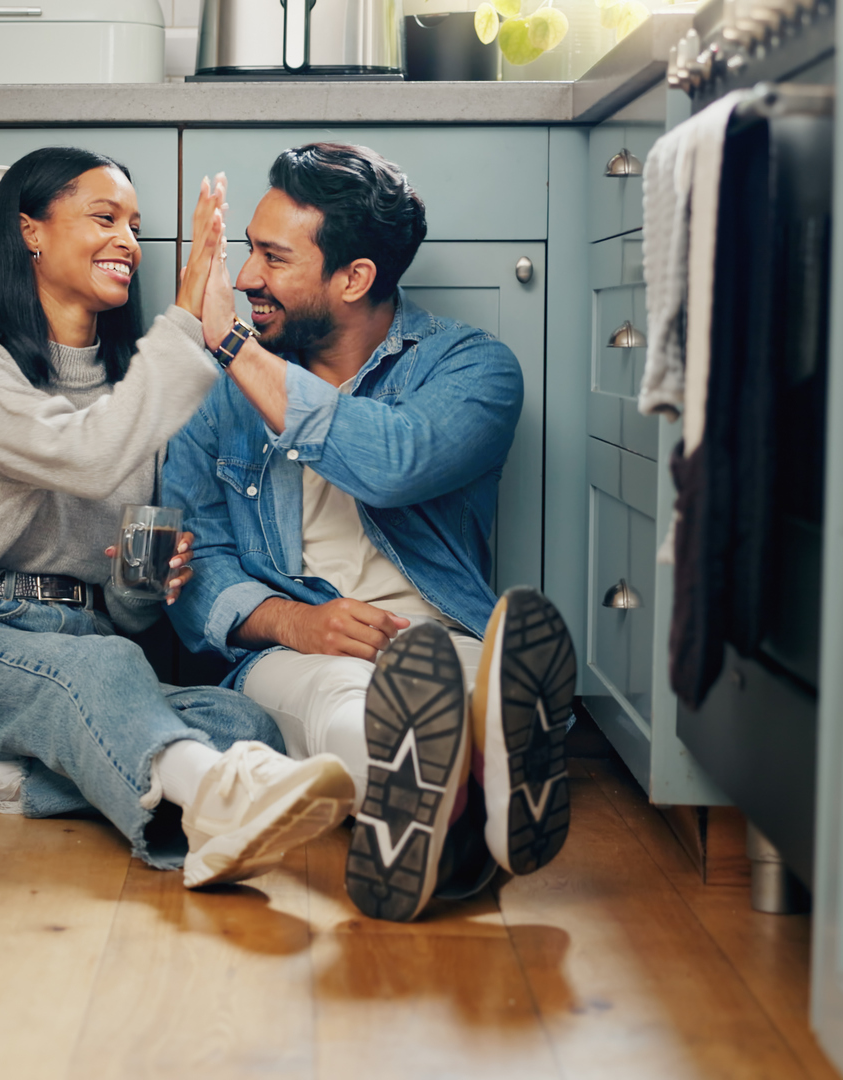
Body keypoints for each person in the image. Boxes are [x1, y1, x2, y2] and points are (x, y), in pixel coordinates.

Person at [0, 146, 351, 889]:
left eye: (136, 225)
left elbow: (125, 611)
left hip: (92, 649)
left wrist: (143, 581)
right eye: (105, 217)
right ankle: (212, 805)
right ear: (30, 230)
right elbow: (84, 456)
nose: (128, 239)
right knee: (111, 675)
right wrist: (189, 324)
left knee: (244, 726)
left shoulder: (136, 388)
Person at [164, 143, 579, 923]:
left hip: (436, 636)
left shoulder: (473, 369)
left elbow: (394, 461)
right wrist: (300, 622)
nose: (245, 278)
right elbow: (194, 576)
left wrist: (230, 345)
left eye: (272, 257)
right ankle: (473, 802)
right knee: (342, 699)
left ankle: (465, 786)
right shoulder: (214, 398)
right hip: (292, 653)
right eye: (246, 250)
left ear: (353, 278)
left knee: (455, 686)